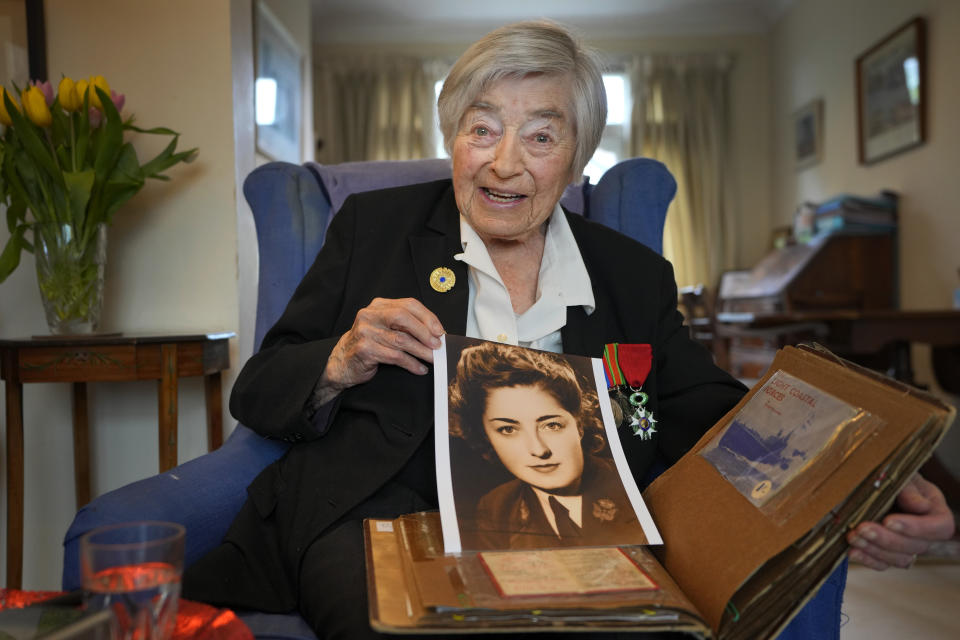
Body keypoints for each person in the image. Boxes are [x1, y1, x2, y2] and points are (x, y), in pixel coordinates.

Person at [182, 19, 955, 640]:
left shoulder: (630, 275)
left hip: (579, 527)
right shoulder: (374, 230)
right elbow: (261, 385)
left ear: (577, 156)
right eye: (481, 130)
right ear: (453, 138)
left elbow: (709, 410)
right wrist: (342, 358)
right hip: (380, 515)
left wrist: (875, 481)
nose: (505, 164)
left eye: (540, 137)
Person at [448, 340, 647, 550]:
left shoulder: (630, 485)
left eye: (551, 425)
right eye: (508, 430)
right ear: (487, 438)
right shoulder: (495, 507)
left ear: (579, 424)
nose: (539, 449)